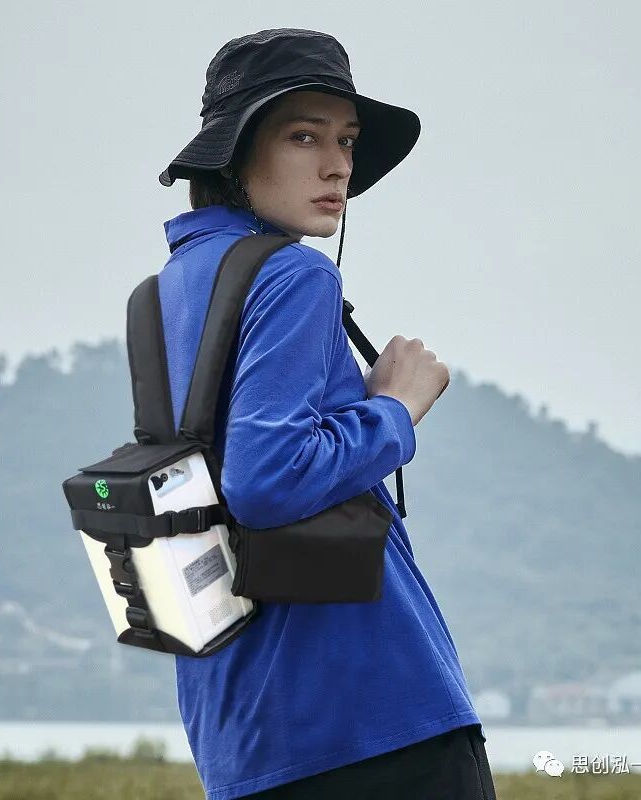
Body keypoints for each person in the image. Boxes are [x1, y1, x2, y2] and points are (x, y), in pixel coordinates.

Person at [156, 28, 499, 800]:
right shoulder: (294, 275)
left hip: (242, 725)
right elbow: (265, 480)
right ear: (233, 156)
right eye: (303, 136)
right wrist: (397, 409)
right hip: (373, 714)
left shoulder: (172, 286)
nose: (339, 164)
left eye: (345, 140)